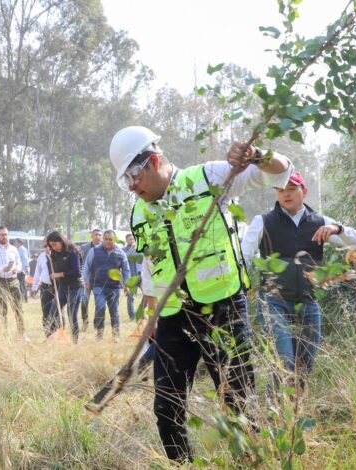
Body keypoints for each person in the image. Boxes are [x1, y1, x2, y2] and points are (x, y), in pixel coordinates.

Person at [110, 125, 293, 462]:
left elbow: (281, 174)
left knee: (238, 403)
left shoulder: (207, 178)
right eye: (125, 181)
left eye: (133, 175)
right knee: (167, 408)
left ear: (152, 161)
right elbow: (152, 269)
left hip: (223, 310)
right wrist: (152, 318)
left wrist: (256, 156)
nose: (132, 186)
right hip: (172, 319)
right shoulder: (139, 212)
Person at [242, 171, 356, 380]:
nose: (286, 194)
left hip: (309, 303)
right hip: (273, 303)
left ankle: (296, 409)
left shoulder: (320, 222)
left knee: (304, 368)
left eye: (291, 189)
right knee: (284, 365)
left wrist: (337, 229)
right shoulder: (262, 221)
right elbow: (244, 255)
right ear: (276, 194)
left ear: (304, 191)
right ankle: (279, 410)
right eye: (281, 190)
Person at [83, 230, 130, 340]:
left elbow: (126, 270)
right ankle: (99, 333)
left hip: (114, 288)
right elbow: (87, 267)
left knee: (115, 312)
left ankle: (116, 335)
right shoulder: (94, 251)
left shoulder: (120, 253)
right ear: (103, 239)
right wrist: (86, 281)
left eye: (111, 239)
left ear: (115, 240)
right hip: (98, 286)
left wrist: (126, 285)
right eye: (106, 239)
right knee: (100, 307)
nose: (108, 241)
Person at [0, 226, 25, 336]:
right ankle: (4, 334)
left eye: (6, 234)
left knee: (18, 308)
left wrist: (17, 268)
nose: (5, 237)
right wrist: (1, 269)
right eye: (2, 234)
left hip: (13, 280)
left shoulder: (13, 249)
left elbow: (19, 263)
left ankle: (21, 334)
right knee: (2, 310)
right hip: (0, 281)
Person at [46, 231, 82, 343]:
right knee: (53, 311)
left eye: (55, 245)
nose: (53, 247)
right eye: (51, 245)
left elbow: (76, 272)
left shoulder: (73, 252)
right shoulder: (54, 254)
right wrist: (49, 258)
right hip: (62, 286)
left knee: (72, 314)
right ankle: (54, 337)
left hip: (75, 286)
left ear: (61, 241)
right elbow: (53, 269)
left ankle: (75, 341)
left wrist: (60, 274)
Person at [79, 229, 102, 329]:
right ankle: (85, 321)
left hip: (99, 280)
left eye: (99, 235)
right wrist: (84, 280)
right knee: (84, 301)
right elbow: (81, 264)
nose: (98, 237)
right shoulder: (84, 248)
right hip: (86, 280)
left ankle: (97, 322)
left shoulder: (105, 248)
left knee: (99, 303)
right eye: (96, 235)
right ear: (91, 236)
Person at [31, 243, 56, 336]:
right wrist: (34, 287)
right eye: (45, 246)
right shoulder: (41, 257)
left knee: (57, 312)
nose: (47, 248)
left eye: (49, 246)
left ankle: (57, 333)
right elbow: (37, 273)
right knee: (46, 311)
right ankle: (48, 334)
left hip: (56, 287)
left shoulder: (58, 255)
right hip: (45, 287)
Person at [123, 233, 142, 321]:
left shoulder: (139, 248)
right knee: (131, 297)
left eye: (133, 239)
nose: (132, 241)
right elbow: (126, 257)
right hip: (131, 277)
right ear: (126, 240)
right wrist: (132, 249)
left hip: (140, 276)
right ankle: (132, 315)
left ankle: (141, 313)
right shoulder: (124, 250)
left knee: (147, 294)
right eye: (130, 239)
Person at [12, 238, 30, 302]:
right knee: (20, 284)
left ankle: (23, 299)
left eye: (15, 242)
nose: (14, 243)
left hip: (21, 270)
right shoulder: (17, 249)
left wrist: (25, 270)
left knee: (21, 284)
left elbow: (25, 260)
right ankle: (23, 299)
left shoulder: (23, 250)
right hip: (18, 270)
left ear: (20, 243)